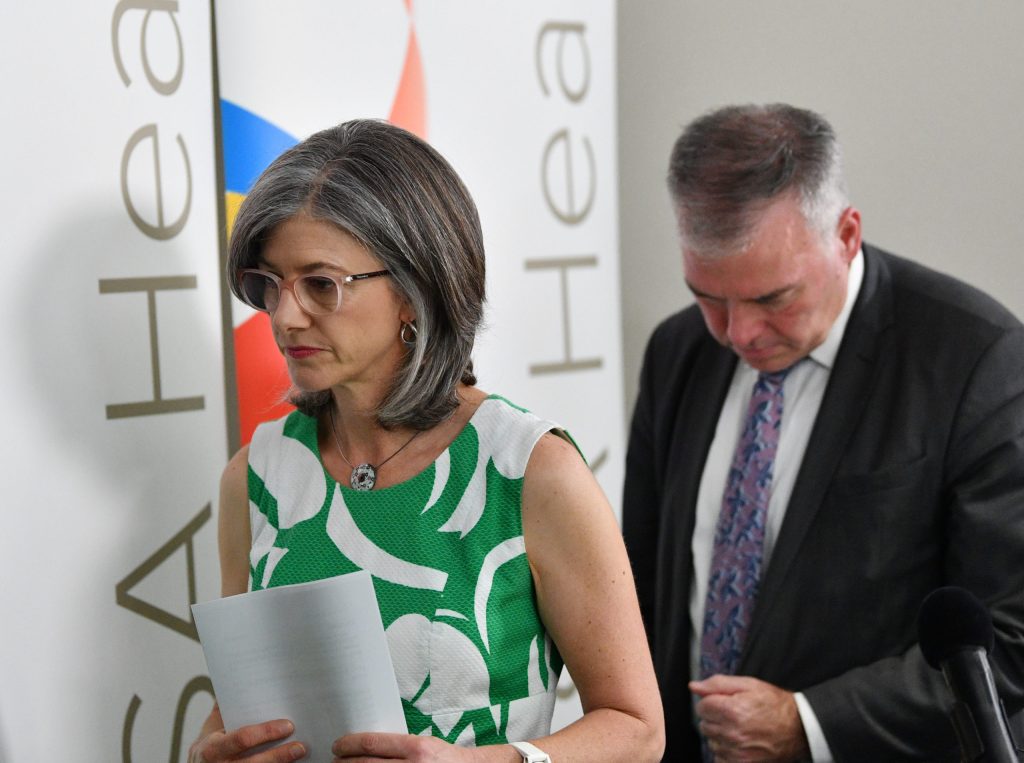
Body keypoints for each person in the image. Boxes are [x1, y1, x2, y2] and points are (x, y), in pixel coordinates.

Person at [188, 119, 664, 763]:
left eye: (320, 284)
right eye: (268, 284)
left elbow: (637, 730)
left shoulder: (531, 471)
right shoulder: (256, 476)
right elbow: (240, 703)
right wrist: (214, 753)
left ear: (416, 293)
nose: (284, 315)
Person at [622, 103, 1024, 761]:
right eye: (709, 296)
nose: (738, 333)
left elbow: (1009, 638)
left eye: (772, 298)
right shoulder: (679, 351)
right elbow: (641, 586)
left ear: (846, 234)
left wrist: (807, 722)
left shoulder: (977, 361)